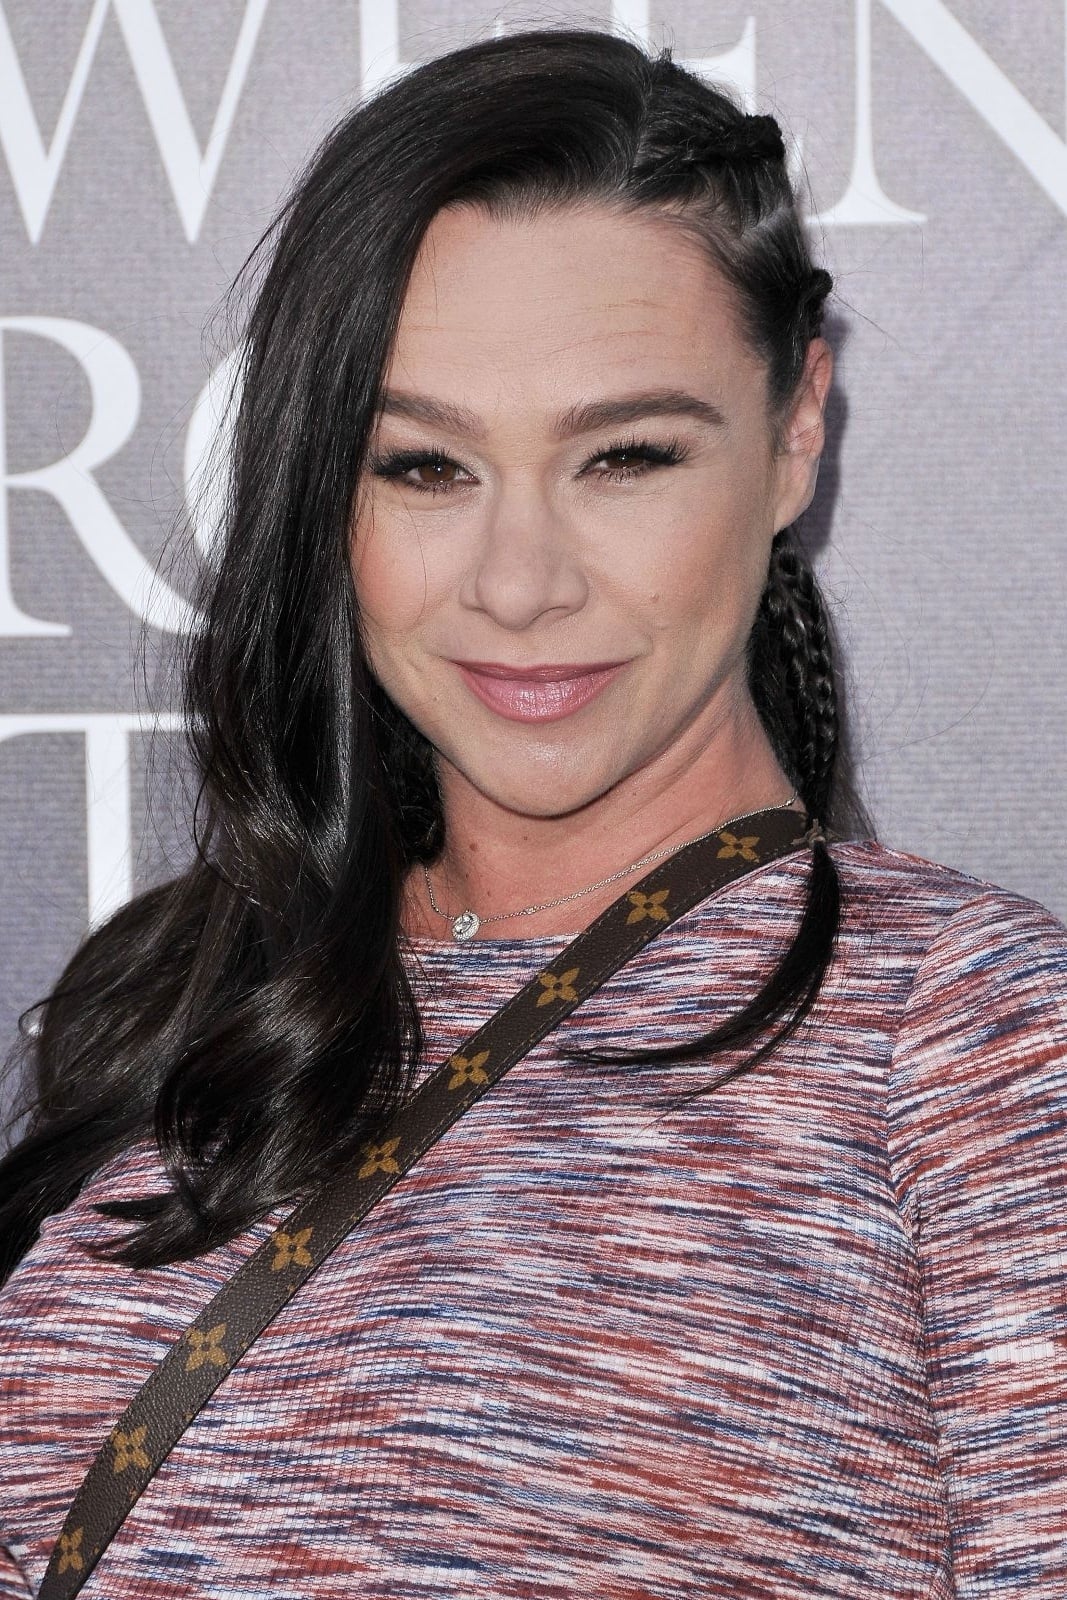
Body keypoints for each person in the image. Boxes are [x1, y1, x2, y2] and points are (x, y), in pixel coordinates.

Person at [0, 25, 1064, 1600]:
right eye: (424, 468)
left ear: (797, 429)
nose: (518, 583)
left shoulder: (974, 1040)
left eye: (624, 456)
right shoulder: (190, 998)